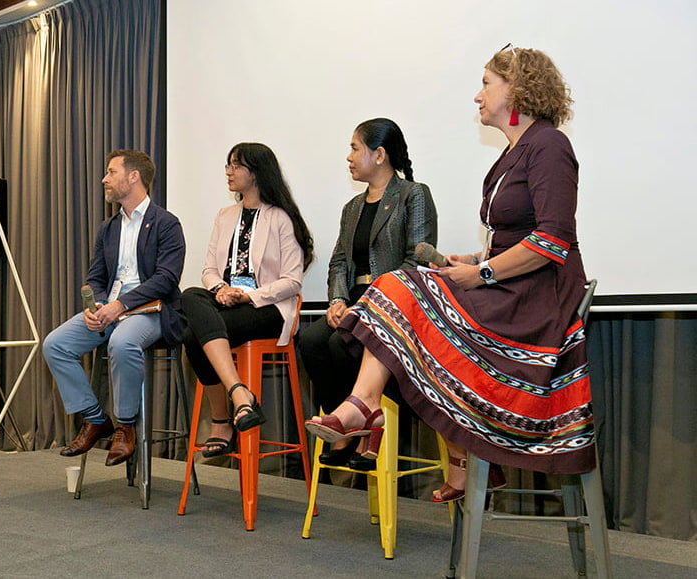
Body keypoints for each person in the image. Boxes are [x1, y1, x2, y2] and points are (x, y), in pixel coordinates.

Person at [306, 45, 592, 503]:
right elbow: (512, 237)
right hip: (509, 289)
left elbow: (551, 242)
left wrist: (483, 274)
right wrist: (473, 263)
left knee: (398, 287)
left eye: (485, 83)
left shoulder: (549, 145)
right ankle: (407, 427)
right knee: (399, 297)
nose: (478, 96)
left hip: (536, 303)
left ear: (516, 87)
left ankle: (368, 408)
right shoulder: (513, 152)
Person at [299, 118, 437, 470]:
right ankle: (346, 431)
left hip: (391, 303)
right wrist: (336, 301)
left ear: (379, 155)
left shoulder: (412, 194)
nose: (348, 156)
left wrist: (370, 301)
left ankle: (362, 420)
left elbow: (416, 258)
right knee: (312, 341)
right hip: (353, 302)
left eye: (355, 148)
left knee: (338, 344)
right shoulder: (352, 208)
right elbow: (339, 263)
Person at [42, 150, 185, 467]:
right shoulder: (108, 228)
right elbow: (95, 276)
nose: (104, 179)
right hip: (111, 309)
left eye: (110, 171)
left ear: (133, 176)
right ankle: (95, 419)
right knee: (55, 344)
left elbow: (166, 279)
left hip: (152, 310)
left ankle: (125, 425)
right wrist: (97, 305)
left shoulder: (166, 224)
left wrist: (121, 305)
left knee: (122, 342)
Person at [181, 142, 314, 457]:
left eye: (235, 165)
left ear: (256, 173)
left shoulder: (281, 218)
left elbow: (291, 281)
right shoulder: (224, 215)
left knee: (192, 335)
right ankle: (239, 395)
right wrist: (221, 290)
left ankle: (221, 421)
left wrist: (247, 295)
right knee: (190, 295)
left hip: (267, 309)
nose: (229, 172)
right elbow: (210, 270)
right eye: (227, 165)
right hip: (226, 302)